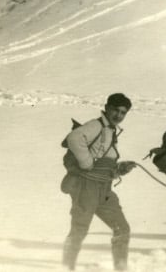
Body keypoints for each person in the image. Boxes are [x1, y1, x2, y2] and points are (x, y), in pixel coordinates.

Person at [61, 93, 138, 271]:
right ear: (107, 108)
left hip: (104, 189)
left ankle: (121, 268)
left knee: (122, 228)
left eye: (123, 113)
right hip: (86, 187)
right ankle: (66, 267)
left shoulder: (110, 130)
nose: (119, 116)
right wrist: (86, 162)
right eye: (116, 110)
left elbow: (102, 161)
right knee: (79, 229)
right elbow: (74, 138)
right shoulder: (96, 125)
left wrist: (120, 169)